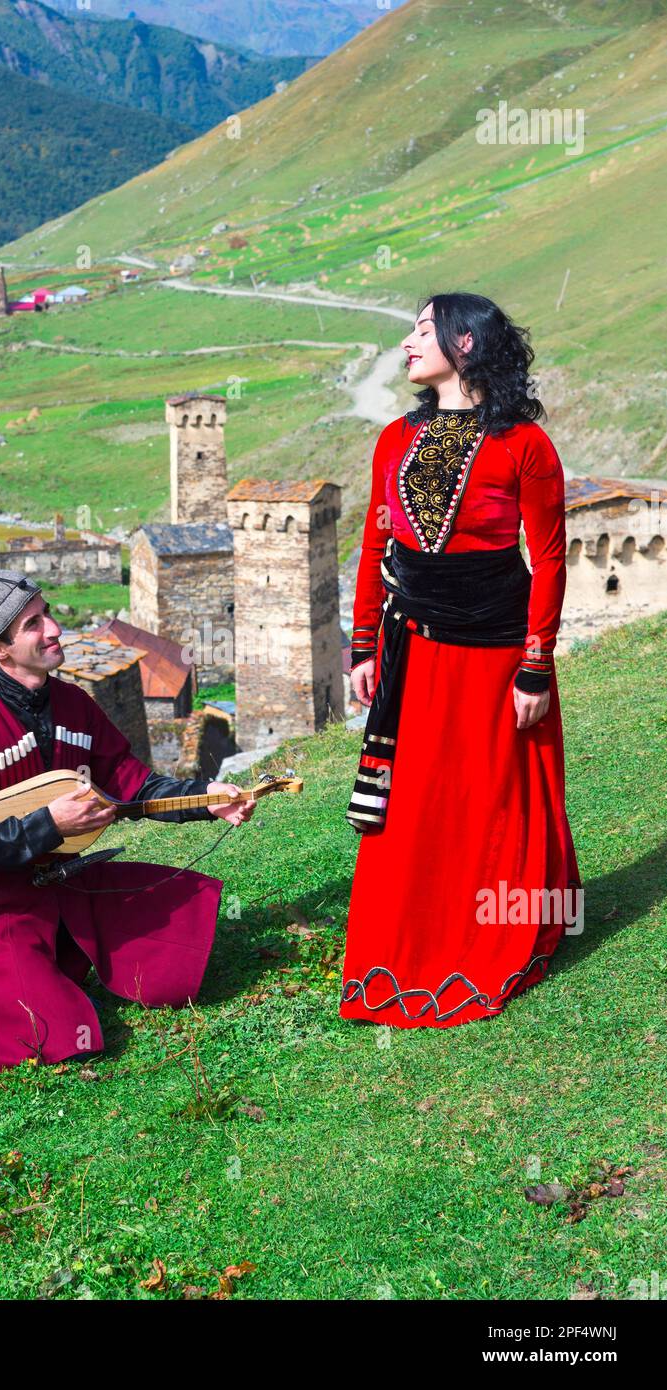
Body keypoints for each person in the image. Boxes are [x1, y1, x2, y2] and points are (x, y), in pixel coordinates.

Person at [340, 292, 581, 1029]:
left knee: (490, 795)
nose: (408, 344)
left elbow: (544, 561)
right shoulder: (393, 439)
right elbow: (375, 546)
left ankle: (498, 925)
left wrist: (534, 666)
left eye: (422, 331)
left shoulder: (523, 446)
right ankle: (408, 940)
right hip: (412, 644)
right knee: (414, 803)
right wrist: (362, 645)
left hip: (494, 652)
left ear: (465, 342)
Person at [0, 571, 256, 1072]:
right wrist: (46, 825)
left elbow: (132, 785)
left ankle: (46, 959)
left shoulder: (75, 705)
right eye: (34, 624)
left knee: (178, 941)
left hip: (68, 884)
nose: (54, 629)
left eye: (47, 613)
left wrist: (206, 799)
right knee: (60, 1036)